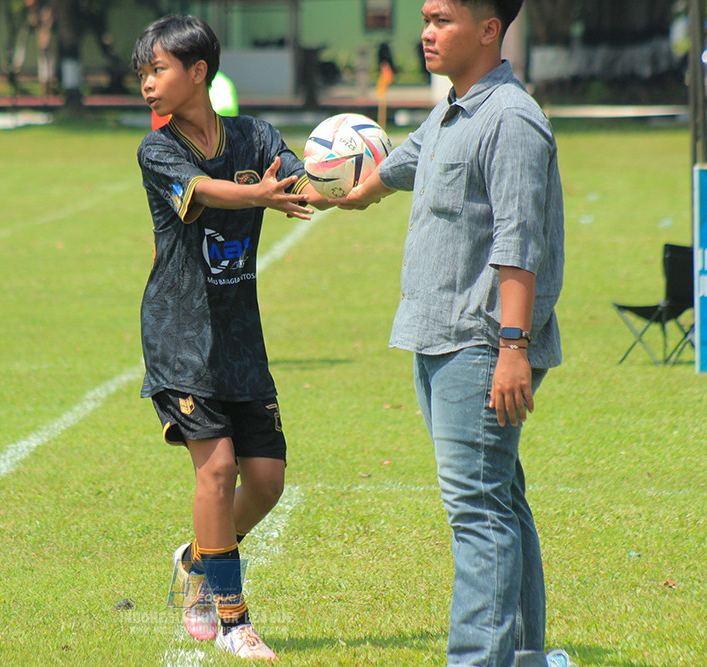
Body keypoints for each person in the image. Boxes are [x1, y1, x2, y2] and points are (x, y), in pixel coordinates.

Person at [334, 1, 571, 666]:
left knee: (478, 512)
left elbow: (519, 241)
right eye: (425, 18)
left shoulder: (511, 119)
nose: (426, 32)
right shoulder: (454, 109)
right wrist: (329, 189)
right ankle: (522, 653)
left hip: (482, 342)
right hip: (440, 334)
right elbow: (398, 166)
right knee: (499, 499)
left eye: (442, 20)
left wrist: (512, 347)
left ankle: (477, 658)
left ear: (489, 29)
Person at [130, 14, 329, 661]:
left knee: (266, 481)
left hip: (240, 337)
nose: (147, 84)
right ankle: (232, 615)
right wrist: (260, 197)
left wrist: (338, 183)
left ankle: (197, 557)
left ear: (198, 72)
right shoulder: (158, 149)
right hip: (180, 336)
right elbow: (206, 192)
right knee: (216, 469)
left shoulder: (255, 137)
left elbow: (297, 178)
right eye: (143, 74)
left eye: (157, 70)